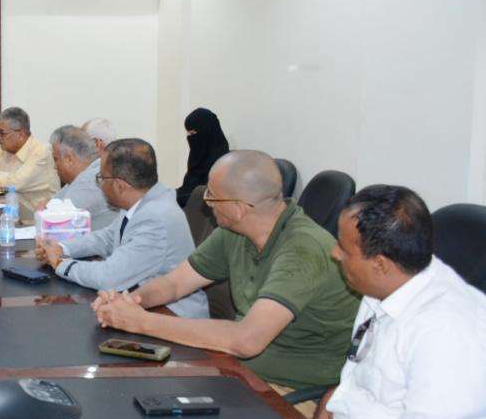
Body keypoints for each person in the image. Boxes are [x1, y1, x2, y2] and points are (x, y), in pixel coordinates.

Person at [313, 185, 486, 419]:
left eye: (344, 248)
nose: (334, 253)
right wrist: (329, 414)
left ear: (380, 264)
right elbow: (360, 374)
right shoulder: (386, 288)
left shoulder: (447, 331)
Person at [91, 150, 358, 390]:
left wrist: (141, 322)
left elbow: (246, 340)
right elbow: (175, 284)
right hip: (234, 365)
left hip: (285, 389)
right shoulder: (235, 230)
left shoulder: (303, 249)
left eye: (211, 195)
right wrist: (128, 303)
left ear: (238, 208)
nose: (206, 202)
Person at [36, 139, 208, 318]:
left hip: (172, 313)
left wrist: (60, 264)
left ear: (120, 186)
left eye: (101, 178)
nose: (100, 184)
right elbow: (107, 238)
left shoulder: (156, 218)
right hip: (139, 297)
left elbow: (109, 277)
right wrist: (61, 248)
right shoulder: (142, 201)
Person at [0, 107, 59, 223]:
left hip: (36, 224)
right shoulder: (2, 149)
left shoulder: (41, 152)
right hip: (7, 219)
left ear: (20, 134)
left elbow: (15, 183)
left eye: (2, 133)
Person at [46, 125, 116, 230]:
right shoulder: (85, 175)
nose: (55, 167)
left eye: (56, 159)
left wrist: (47, 208)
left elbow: (53, 220)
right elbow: (50, 206)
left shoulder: (91, 180)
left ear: (69, 159)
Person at [177, 107, 229, 207]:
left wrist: (172, 198)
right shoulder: (198, 161)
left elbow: (204, 197)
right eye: (188, 133)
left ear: (207, 132)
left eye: (193, 133)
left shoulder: (222, 165)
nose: (190, 138)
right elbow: (186, 189)